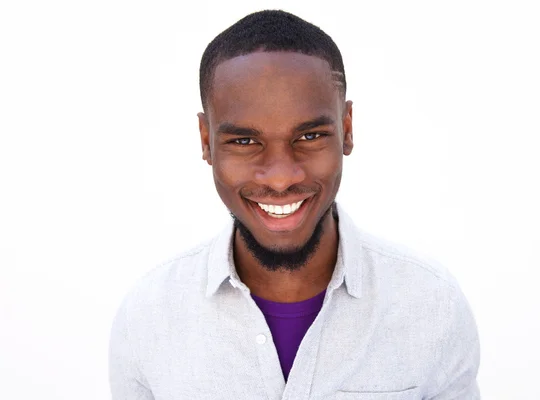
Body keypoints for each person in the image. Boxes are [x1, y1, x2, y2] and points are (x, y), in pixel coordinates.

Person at [109, 9, 480, 400]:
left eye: (310, 136)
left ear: (347, 130)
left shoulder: (432, 306)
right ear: (206, 141)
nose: (282, 177)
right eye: (244, 142)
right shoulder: (147, 318)